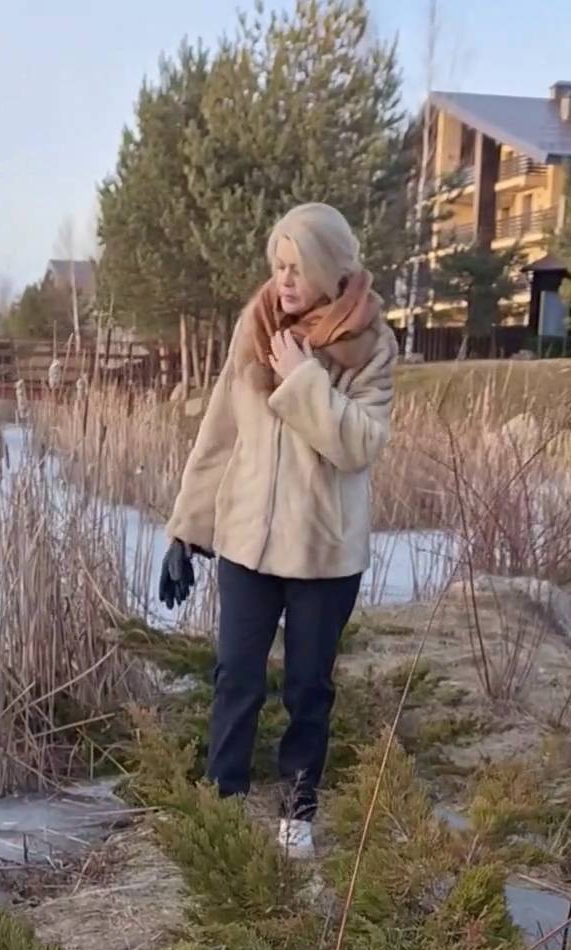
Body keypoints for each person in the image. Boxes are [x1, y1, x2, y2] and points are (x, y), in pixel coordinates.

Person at [159, 202, 397, 858]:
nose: (284, 279)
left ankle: (297, 816)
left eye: (297, 266)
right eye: (279, 265)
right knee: (235, 678)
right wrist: (187, 530)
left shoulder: (370, 343)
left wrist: (303, 379)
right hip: (247, 543)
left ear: (331, 268)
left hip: (323, 553)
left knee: (307, 689)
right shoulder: (256, 324)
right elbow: (219, 434)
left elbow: (359, 445)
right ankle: (223, 809)